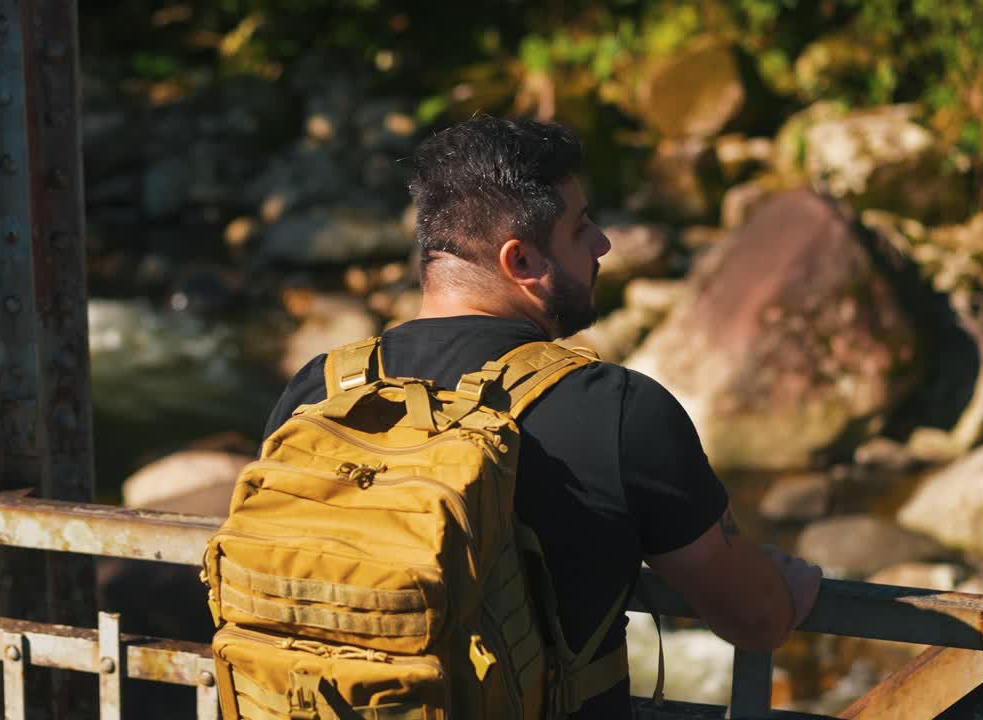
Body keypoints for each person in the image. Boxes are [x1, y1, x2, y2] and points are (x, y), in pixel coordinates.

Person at [262, 115, 823, 718]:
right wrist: (789, 590)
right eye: (581, 229)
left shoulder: (320, 388)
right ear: (522, 260)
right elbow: (756, 619)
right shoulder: (618, 410)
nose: (604, 243)